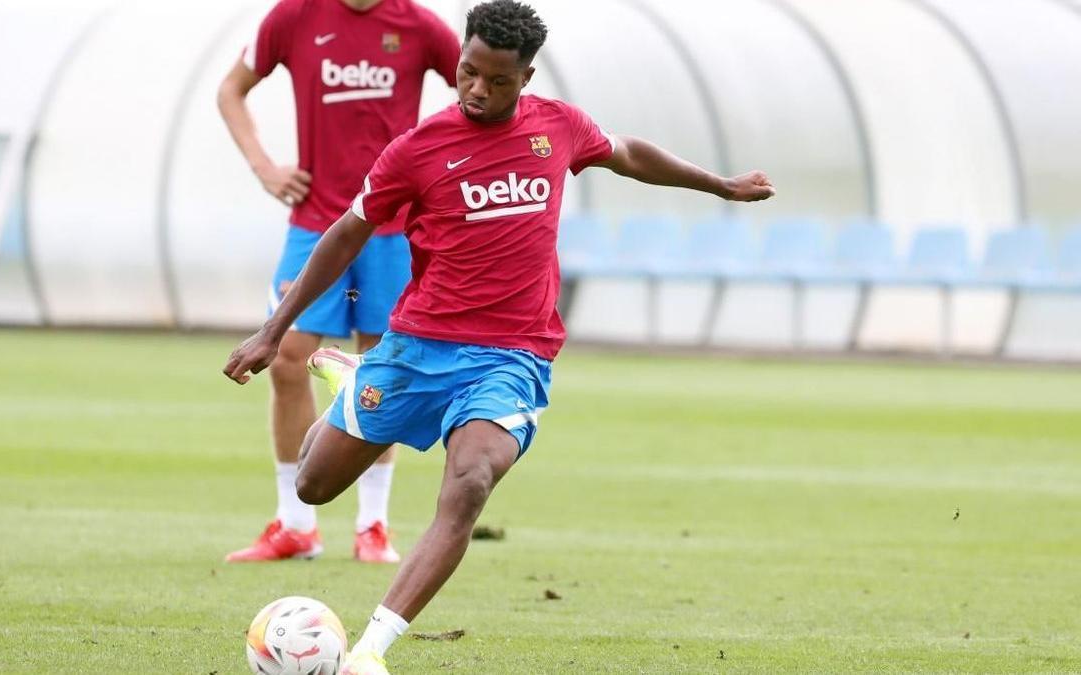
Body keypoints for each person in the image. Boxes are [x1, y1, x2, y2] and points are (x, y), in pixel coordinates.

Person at [223, 1, 775, 671]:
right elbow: (346, 232)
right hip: (417, 347)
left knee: (471, 479)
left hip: (510, 356)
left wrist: (717, 185)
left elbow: (625, 153)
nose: (478, 90)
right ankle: (356, 379)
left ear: (527, 77)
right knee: (313, 487)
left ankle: (370, 650)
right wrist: (272, 332)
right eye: (467, 73)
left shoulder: (558, 129)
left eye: (497, 80)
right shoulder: (419, 149)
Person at [217, 0, 461, 563]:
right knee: (286, 357)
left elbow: (479, 94)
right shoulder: (294, 17)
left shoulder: (419, 26)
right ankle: (295, 523)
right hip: (317, 222)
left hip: (395, 228)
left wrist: (444, 172)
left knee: (384, 367)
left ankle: (373, 526)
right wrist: (265, 168)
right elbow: (231, 90)